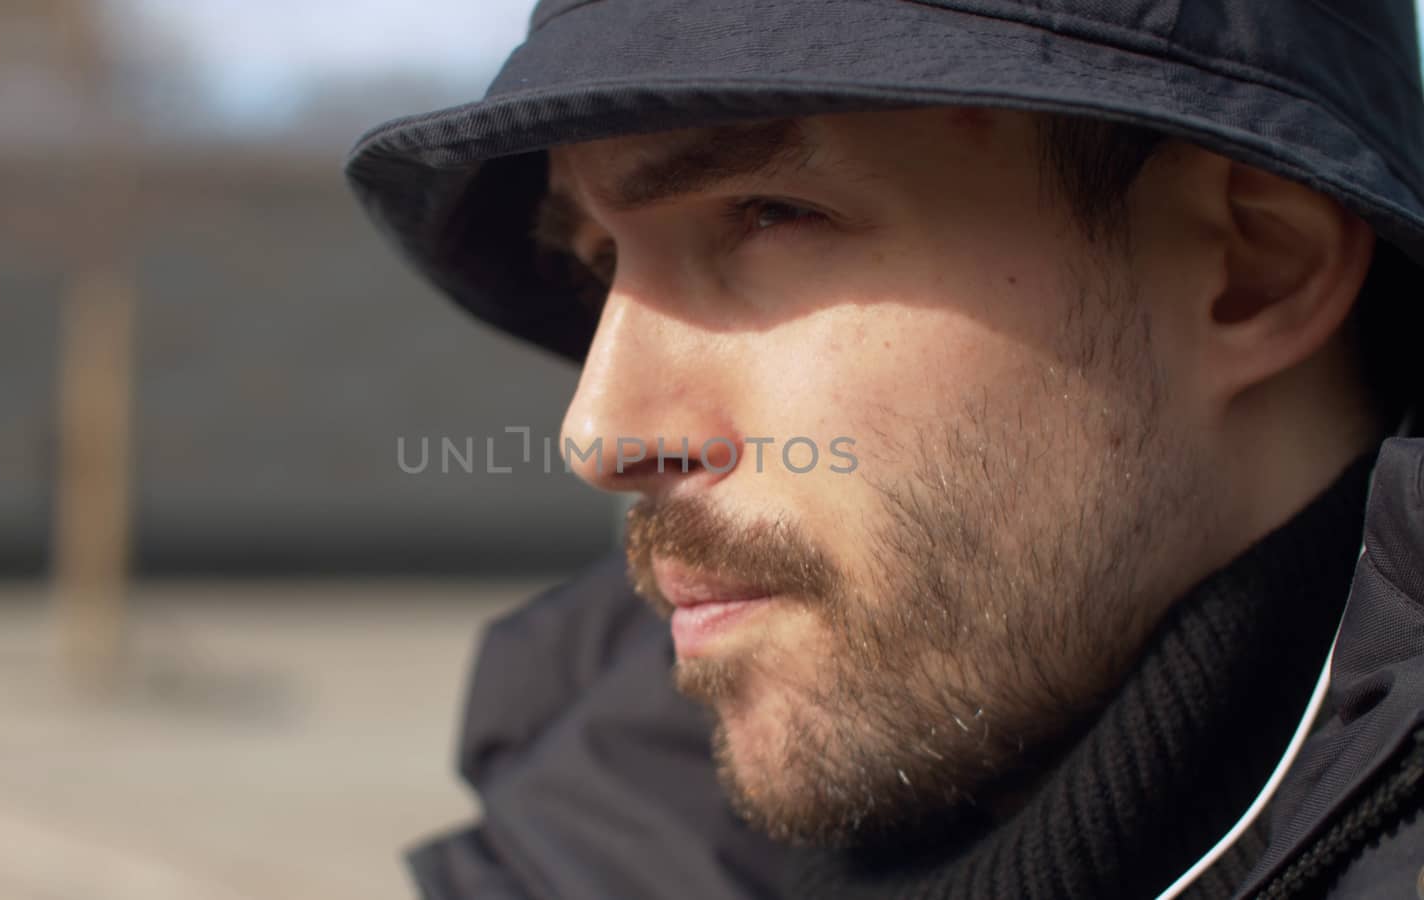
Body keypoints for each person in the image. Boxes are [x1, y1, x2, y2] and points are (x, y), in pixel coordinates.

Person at [348, 2, 1424, 897]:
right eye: (598, 263)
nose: (598, 434)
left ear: (1252, 268)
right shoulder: (596, 839)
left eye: (768, 214)